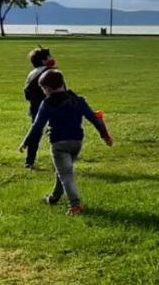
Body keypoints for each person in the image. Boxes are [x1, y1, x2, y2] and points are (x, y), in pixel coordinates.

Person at [19, 70, 113, 216]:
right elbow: (94, 118)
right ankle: (54, 197)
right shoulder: (78, 100)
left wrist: (26, 142)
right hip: (76, 143)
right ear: (62, 83)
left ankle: (75, 205)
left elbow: (37, 126)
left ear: (47, 88)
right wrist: (105, 135)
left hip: (59, 144)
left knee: (66, 174)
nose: (44, 92)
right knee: (62, 171)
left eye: (43, 89)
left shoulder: (47, 104)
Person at [22, 47, 57, 169]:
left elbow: (27, 93)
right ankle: (61, 156)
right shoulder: (51, 72)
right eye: (49, 56)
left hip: (35, 107)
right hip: (51, 106)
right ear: (43, 60)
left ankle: (29, 160)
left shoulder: (32, 73)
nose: (52, 58)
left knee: (36, 132)